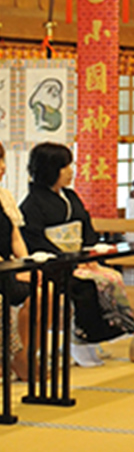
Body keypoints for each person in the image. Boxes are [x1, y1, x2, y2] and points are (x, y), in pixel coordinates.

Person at [19, 142, 134, 361]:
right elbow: (35, 240)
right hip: (54, 264)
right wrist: (72, 261)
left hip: (78, 260)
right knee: (88, 285)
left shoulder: (71, 197)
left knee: (112, 277)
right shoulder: (32, 204)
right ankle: (81, 340)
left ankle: (97, 337)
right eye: (65, 166)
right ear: (50, 169)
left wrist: (89, 255)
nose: (71, 171)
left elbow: (86, 228)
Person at [0, 142, 36, 381]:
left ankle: (23, 356)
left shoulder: (4, 196)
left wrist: (26, 264)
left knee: (45, 293)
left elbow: (15, 236)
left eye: (2, 160)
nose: (3, 166)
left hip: (8, 268)